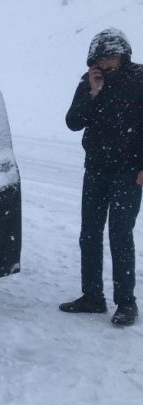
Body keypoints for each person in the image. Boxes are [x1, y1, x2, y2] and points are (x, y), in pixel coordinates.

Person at [60, 28, 143, 326]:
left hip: (128, 174)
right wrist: (93, 93)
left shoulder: (140, 78)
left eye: (112, 57)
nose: (107, 63)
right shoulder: (90, 82)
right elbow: (73, 122)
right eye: (101, 58)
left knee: (120, 236)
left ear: (123, 55)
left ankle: (126, 302)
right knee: (89, 235)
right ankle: (92, 296)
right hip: (95, 171)